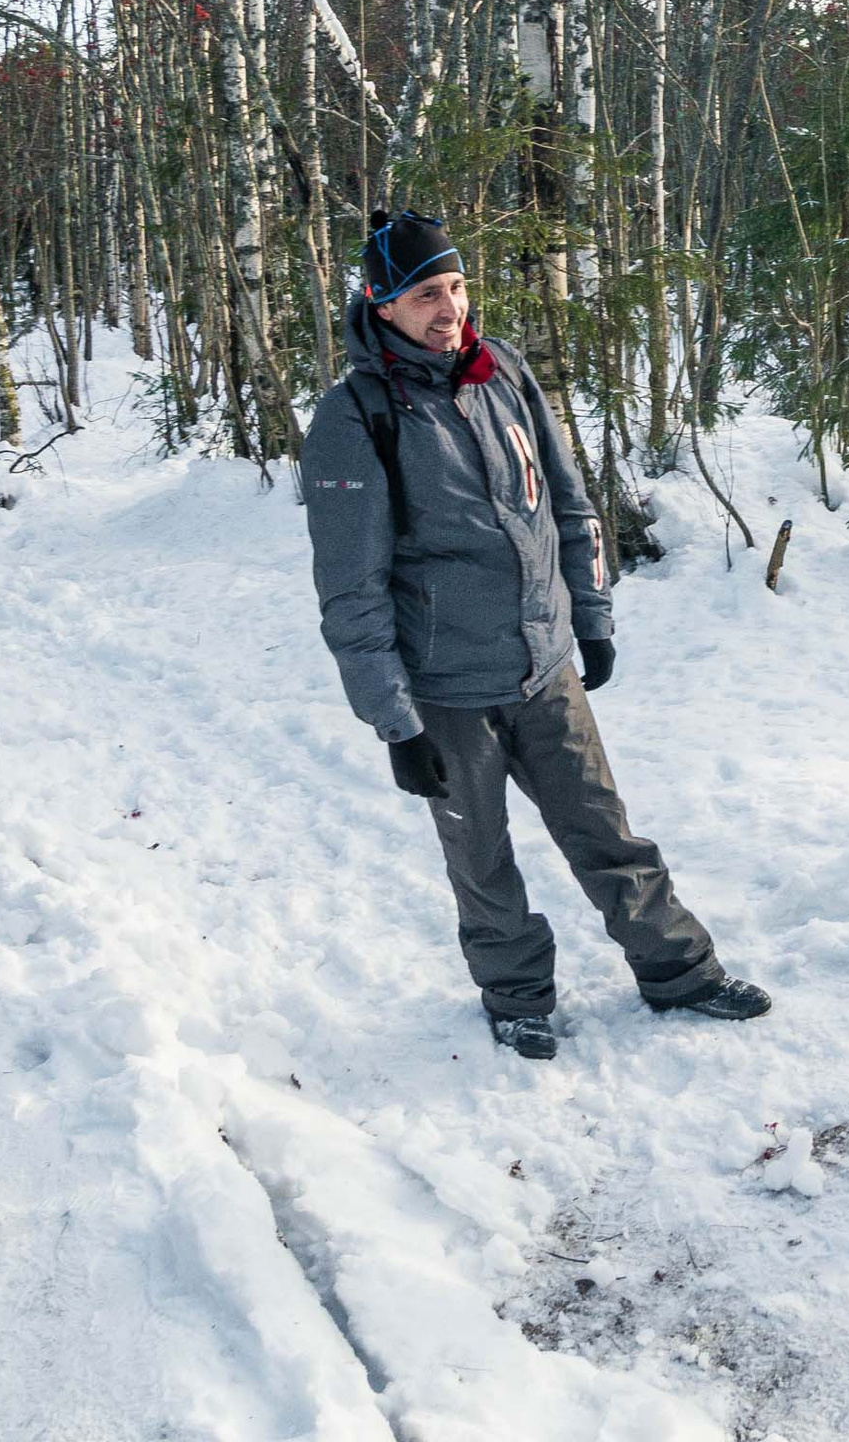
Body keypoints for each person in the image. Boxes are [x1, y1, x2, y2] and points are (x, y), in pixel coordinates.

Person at [300, 209, 769, 1061]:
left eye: (455, 286)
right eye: (426, 295)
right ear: (382, 302)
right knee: (481, 861)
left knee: (606, 831)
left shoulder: (499, 369)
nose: (449, 309)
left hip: (545, 664)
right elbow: (351, 589)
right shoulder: (355, 416)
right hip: (446, 691)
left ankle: (681, 972)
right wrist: (395, 723)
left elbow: (567, 497)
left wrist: (589, 618)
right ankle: (515, 995)